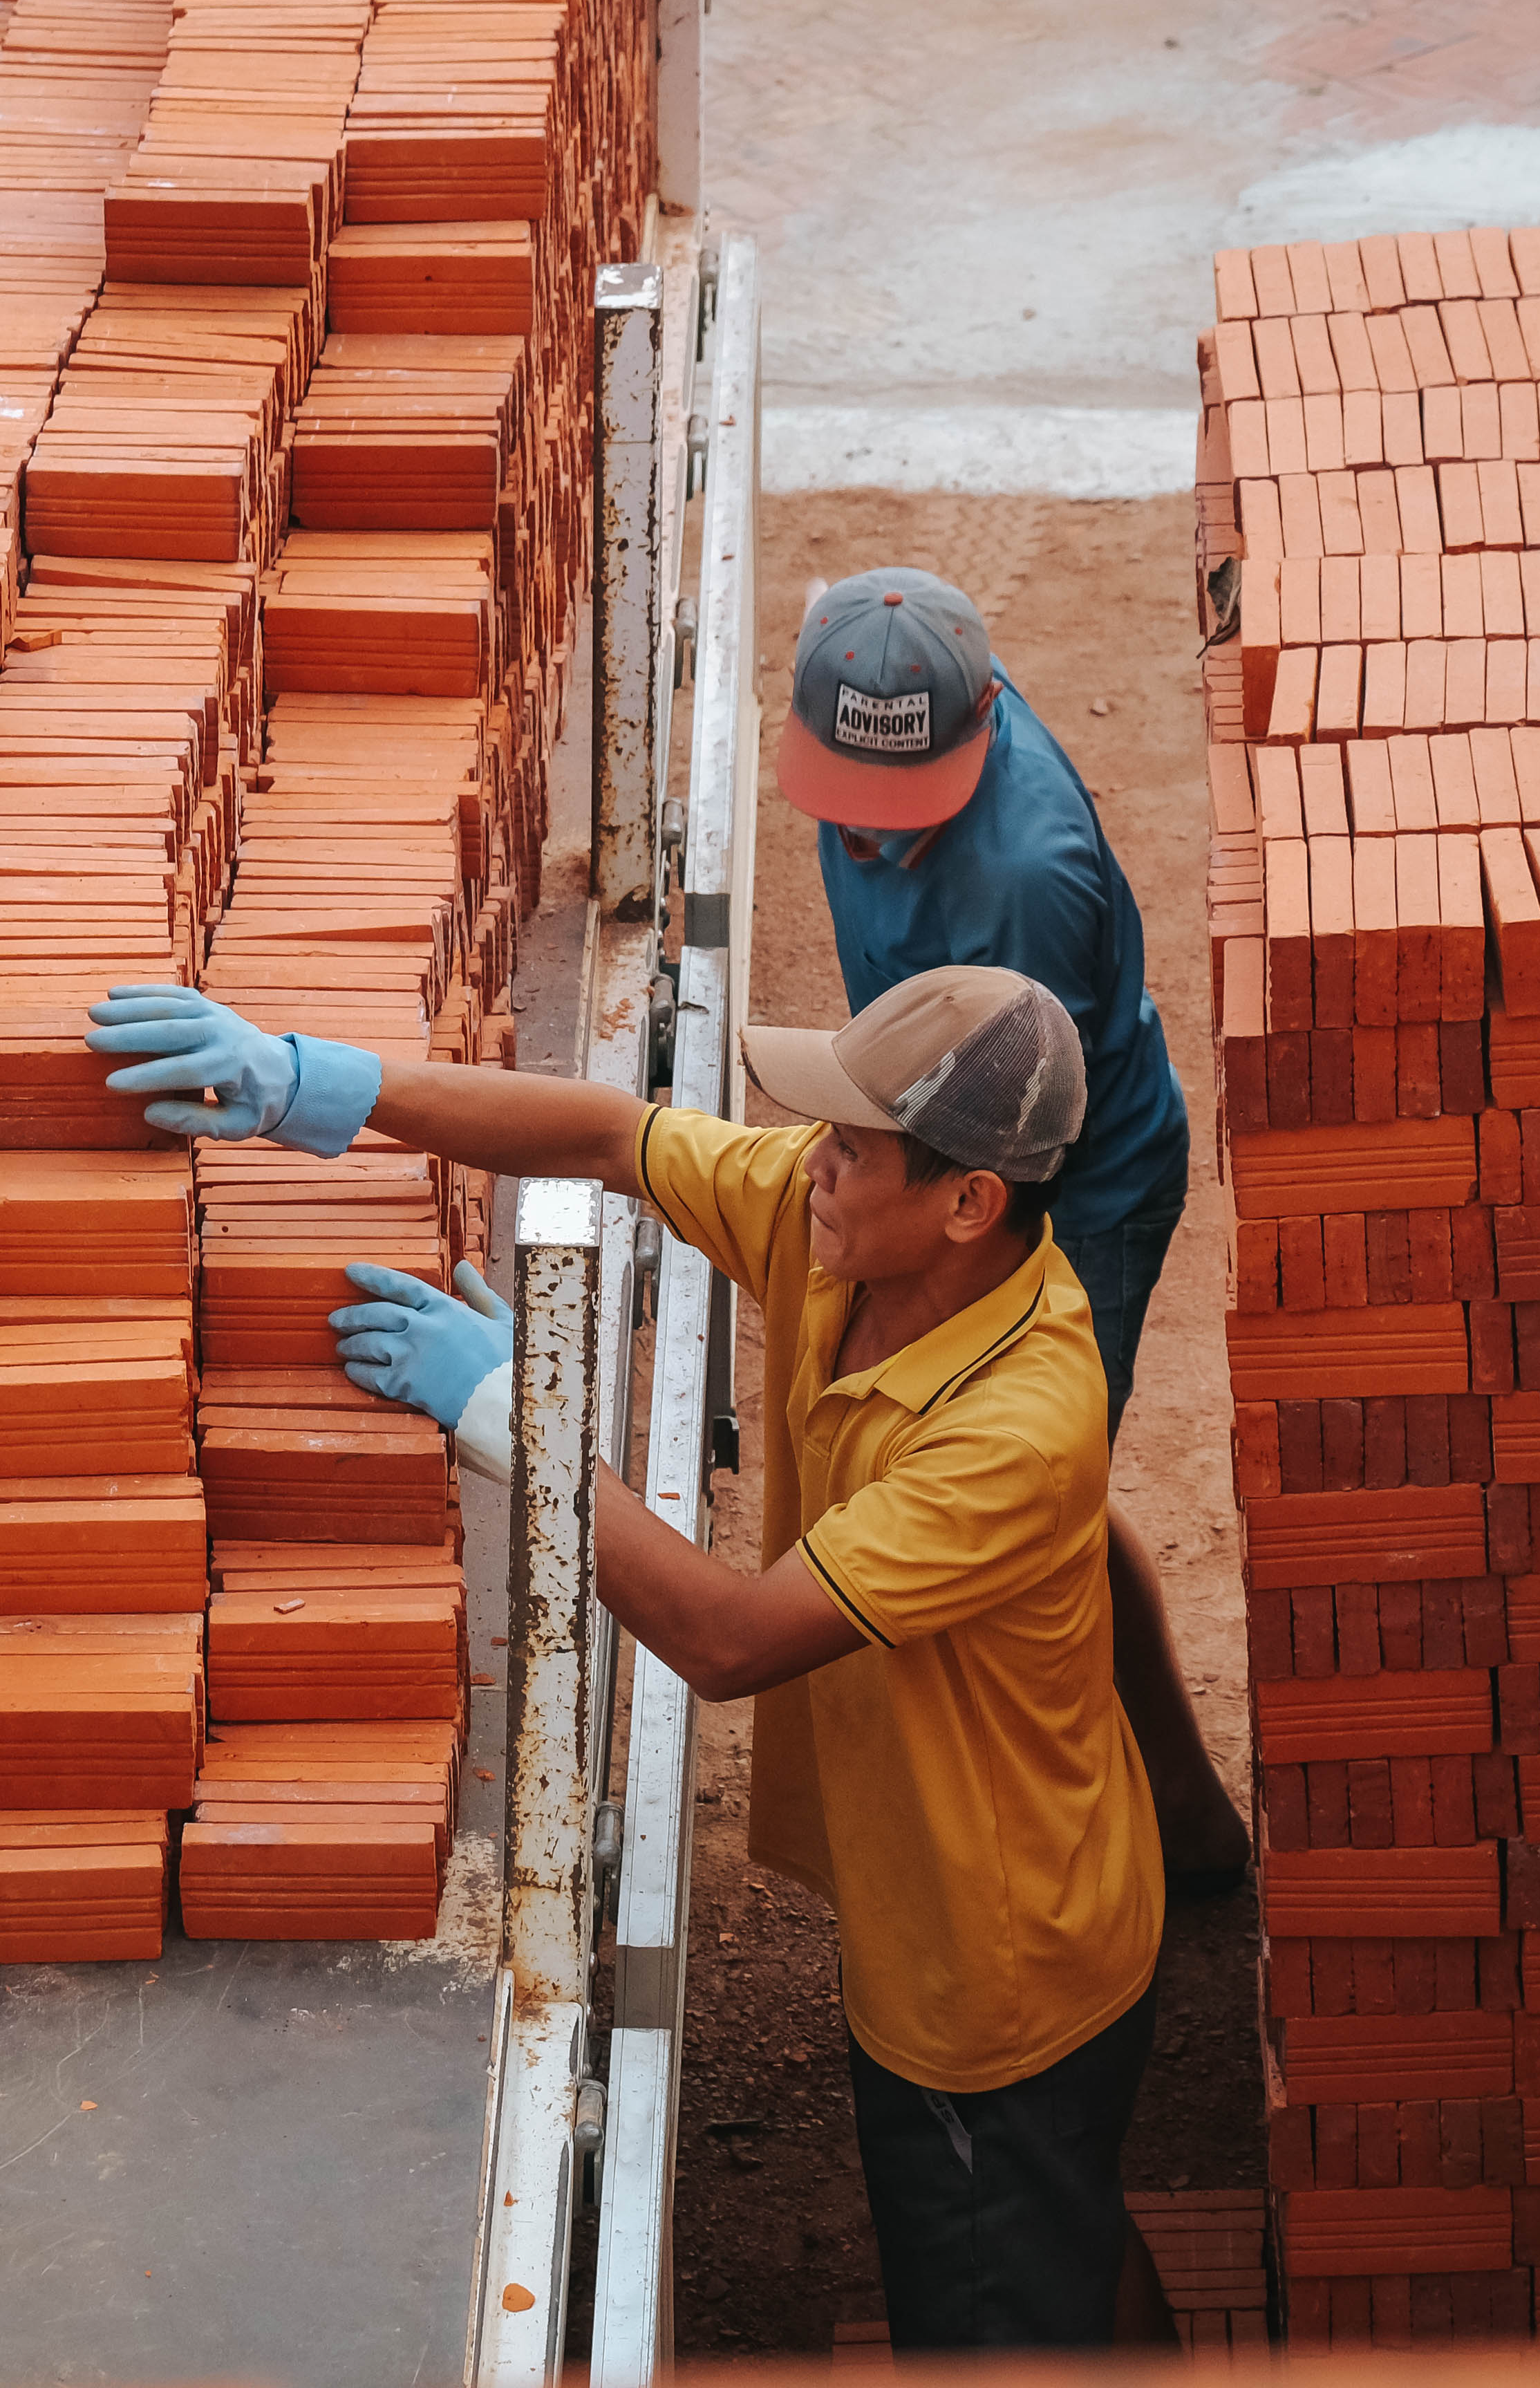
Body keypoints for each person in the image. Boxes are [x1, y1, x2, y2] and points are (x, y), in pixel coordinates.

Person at [90, 966, 1163, 2349]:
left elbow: (728, 1640)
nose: (813, 1166)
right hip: (1005, 1880)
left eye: (851, 1147)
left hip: (998, 1964)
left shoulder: (1014, 1428)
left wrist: (520, 1417)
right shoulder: (847, 1228)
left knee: (997, 2300)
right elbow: (613, 1137)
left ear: (970, 1203)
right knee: (1066, 2224)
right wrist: (325, 1084)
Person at [771, 567, 1247, 1891]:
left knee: (1022, 1492)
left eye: (895, 826)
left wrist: (930, 1264)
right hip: (930, 1128)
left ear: (976, 730)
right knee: (1049, 1505)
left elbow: (997, 1159)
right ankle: (1187, 1820)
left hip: (1061, 1179)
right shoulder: (878, 674)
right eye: (847, 820)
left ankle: (1126, 1842)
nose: (864, 847)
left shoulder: (1022, 886)